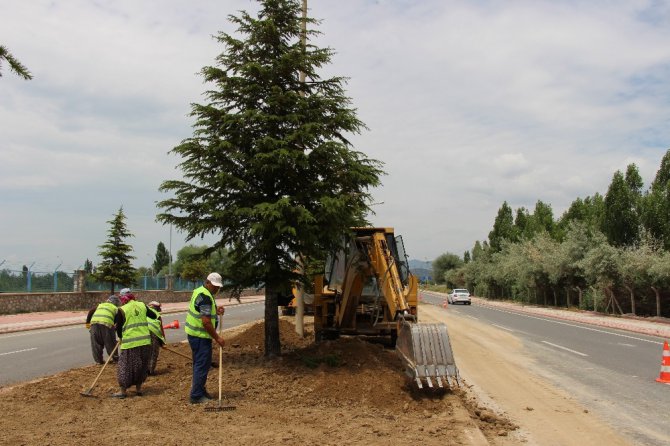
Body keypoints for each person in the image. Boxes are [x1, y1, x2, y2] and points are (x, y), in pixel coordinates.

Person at [185, 272, 226, 404]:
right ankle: (196, 395)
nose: (216, 289)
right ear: (207, 282)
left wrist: (216, 309)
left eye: (218, 287)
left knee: (200, 364)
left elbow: (202, 309)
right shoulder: (205, 297)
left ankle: (200, 390)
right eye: (215, 286)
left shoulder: (200, 291)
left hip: (195, 335)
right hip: (200, 336)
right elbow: (206, 322)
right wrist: (217, 338)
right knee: (201, 365)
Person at [111, 290, 158, 399]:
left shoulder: (122, 310)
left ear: (123, 299)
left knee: (125, 366)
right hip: (145, 342)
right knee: (141, 366)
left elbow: (118, 328)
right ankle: (139, 389)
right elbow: (153, 315)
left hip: (130, 343)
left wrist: (121, 338)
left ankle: (122, 391)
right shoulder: (142, 305)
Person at [85, 295, 121, 364]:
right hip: (107, 324)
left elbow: (91, 311)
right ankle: (115, 359)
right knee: (110, 342)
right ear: (115, 303)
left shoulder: (100, 305)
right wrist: (115, 330)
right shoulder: (115, 308)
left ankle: (99, 361)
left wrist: (87, 323)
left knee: (96, 343)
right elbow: (117, 322)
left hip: (94, 323)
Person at [146, 301, 165, 376]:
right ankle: (150, 371)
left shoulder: (145, 312)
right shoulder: (157, 315)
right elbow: (161, 329)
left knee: (146, 352)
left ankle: (144, 371)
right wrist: (163, 341)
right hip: (153, 333)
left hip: (143, 332)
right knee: (153, 352)